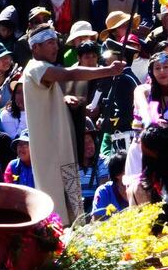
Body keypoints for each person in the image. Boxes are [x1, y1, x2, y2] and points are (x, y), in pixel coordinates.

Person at [21, 25, 127, 223]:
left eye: (55, 42)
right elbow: (69, 74)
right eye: (50, 43)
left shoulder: (44, 72)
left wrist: (68, 101)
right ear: (35, 48)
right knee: (56, 217)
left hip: (61, 151)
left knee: (73, 214)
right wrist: (108, 70)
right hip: (50, 156)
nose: (55, 47)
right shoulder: (35, 68)